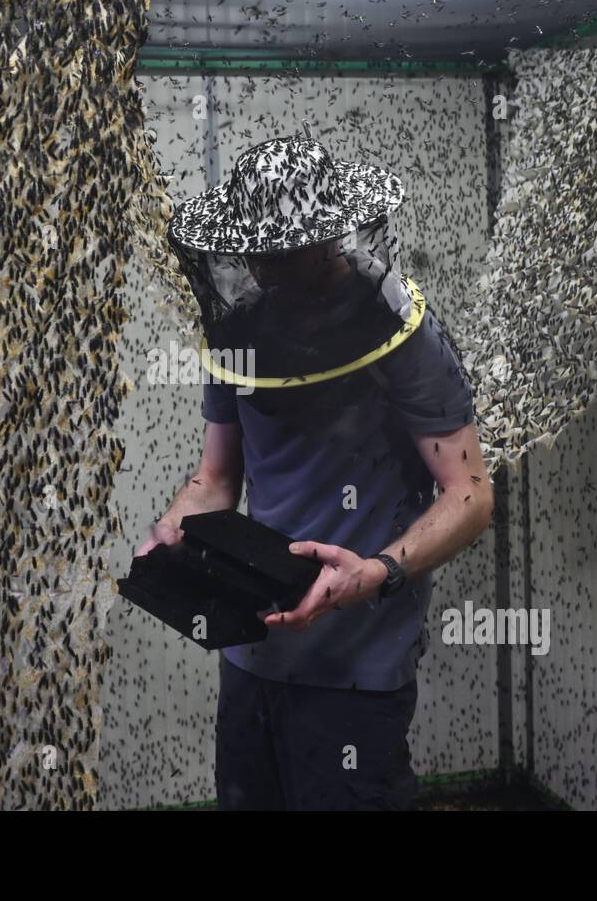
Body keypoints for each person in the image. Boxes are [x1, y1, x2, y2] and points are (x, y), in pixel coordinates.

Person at [136, 133, 493, 810]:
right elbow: (215, 479)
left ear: (331, 237)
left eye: (289, 252)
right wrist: (170, 532)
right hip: (253, 652)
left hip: (356, 671)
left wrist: (377, 571)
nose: (272, 271)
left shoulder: (401, 332)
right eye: (261, 255)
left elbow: (471, 492)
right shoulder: (241, 331)